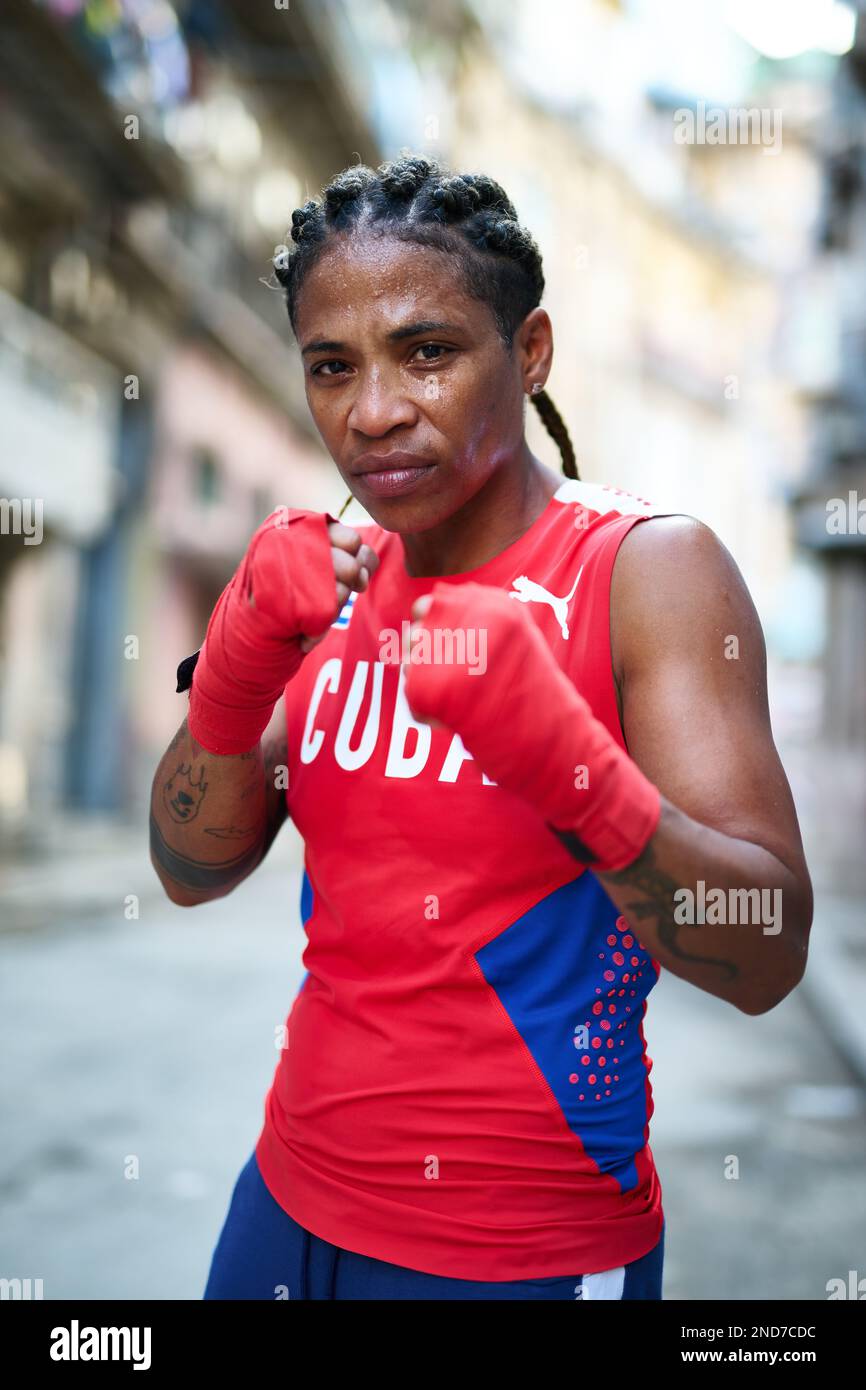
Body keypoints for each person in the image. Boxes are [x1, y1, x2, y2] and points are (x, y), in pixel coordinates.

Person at [149, 155, 813, 1301]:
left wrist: (571, 769)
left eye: (428, 352)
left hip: (518, 1250)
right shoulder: (329, 577)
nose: (372, 411)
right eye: (330, 366)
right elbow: (188, 868)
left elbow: (765, 953)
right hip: (284, 1204)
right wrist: (235, 669)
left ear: (530, 351)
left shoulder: (644, 570)